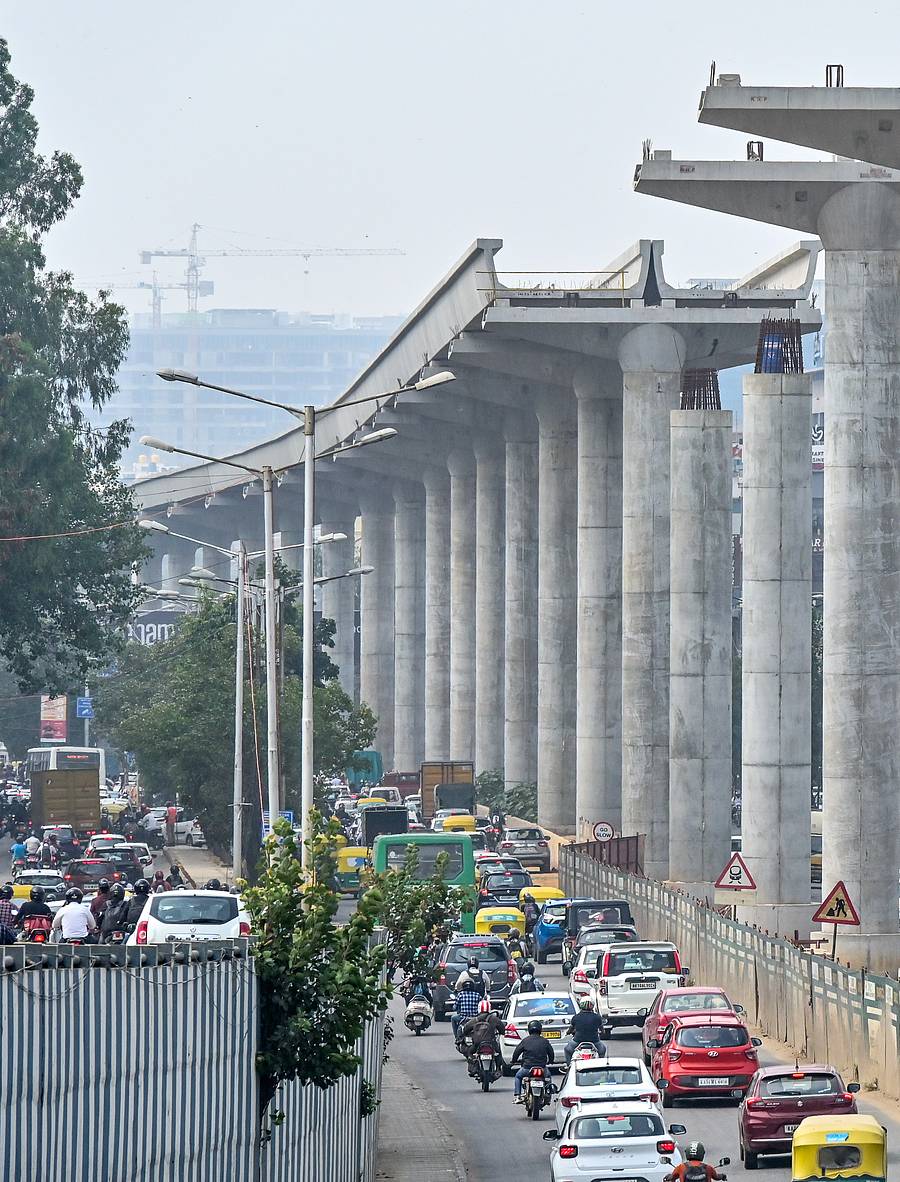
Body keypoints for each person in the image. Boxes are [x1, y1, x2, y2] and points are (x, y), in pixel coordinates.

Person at [510, 1019, 555, 1104]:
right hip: (542, 1068)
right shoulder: (545, 1041)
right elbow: (551, 1052)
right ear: (540, 1030)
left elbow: (517, 1051)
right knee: (548, 1077)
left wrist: (513, 1061)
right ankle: (549, 1092)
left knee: (518, 1077)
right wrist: (551, 1061)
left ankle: (518, 1096)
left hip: (527, 1068)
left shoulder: (525, 1040)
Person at [564, 997, 608, 1064]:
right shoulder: (597, 1017)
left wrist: (567, 1033)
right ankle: (601, 1064)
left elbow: (571, 1029)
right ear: (592, 1005)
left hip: (578, 1041)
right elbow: (602, 1030)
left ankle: (568, 1066)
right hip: (594, 1041)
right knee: (602, 1050)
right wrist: (602, 1032)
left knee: (567, 1050)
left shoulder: (576, 1017)